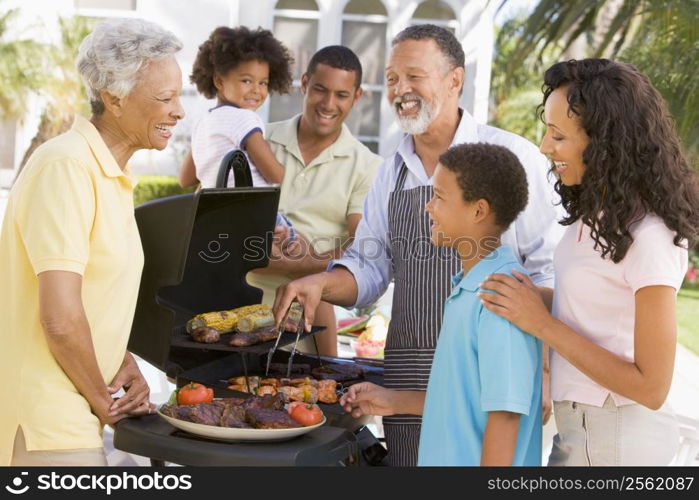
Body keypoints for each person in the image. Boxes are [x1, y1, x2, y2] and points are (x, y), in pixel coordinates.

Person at [273, 24, 562, 466]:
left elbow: (548, 274)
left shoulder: (513, 159)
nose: (400, 90)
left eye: (414, 75)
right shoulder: (391, 172)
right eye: (391, 79)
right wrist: (321, 284)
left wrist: (541, 368)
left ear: (454, 80)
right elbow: (368, 268)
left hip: (488, 373)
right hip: (406, 374)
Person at [479, 59, 699, 466]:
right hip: (580, 432)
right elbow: (590, 313)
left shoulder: (650, 236)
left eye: (558, 135)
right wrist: (525, 298)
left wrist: (541, 323)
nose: (545, 147)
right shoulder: (595, 217)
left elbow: (651, 386)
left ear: (604, 143)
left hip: (617, 439)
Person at [0, 18, 185, 466]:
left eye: (179, 96)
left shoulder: (109, 174)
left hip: (72, 411)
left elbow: (89, 300)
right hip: (48, 421)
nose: (179, 111)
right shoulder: (66, 167)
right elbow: (60, 319)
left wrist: (119, 360)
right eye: (165, 98)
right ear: (114, 98)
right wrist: (104, 400)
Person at [341, 143, 542, 466]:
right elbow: (467, 402)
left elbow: (504, 417)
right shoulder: (466, 288)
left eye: (440, 198)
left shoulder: (500, 297)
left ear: (478, 211)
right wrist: (394, 401)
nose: (428, 207)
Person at [248, 46, 382, 356]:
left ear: (357, 96)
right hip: (236, 317)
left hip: (305, 335)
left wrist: (302, 264)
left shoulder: (367, 166)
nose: (328, 104)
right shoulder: (259, 141)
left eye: (341, 95)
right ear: (304, 83)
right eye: (320, 89)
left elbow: (363, 247)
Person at [179, 26, 293, 188]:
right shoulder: (244, 119)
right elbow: (275, 175)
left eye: (263, 83)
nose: (256, 90)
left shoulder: (203, 123)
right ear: (219, 81)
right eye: (246, 80)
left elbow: (186, 180)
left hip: (217, 210)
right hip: (250, 210)